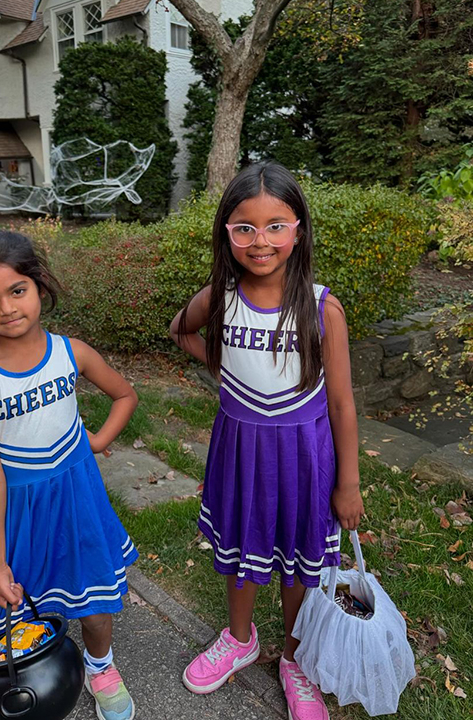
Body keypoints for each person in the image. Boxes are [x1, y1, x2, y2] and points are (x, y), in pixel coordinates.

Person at [170, 162, 364, 720]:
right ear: (226, 233)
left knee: (300, 561)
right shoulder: (221, 295)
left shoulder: (322, 306)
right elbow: (180, 329)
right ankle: (240, 638)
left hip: (305, 459)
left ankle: (295, 661)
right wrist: (223, 369)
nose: (261, 241)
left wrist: (348, 482)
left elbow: (343, 404)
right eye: (245, 228)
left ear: (299, 229)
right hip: (240, 450)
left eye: (276, 225)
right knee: (240, 550)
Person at [0, 230, 138, 720]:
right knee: (8, 611)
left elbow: (125, 395)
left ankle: (102, 669)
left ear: (39, 286)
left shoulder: (70, 352)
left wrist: (95, 441)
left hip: (79, 502)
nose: (7, 308)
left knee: (95, 600)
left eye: (17, 291)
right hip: (22, 517)